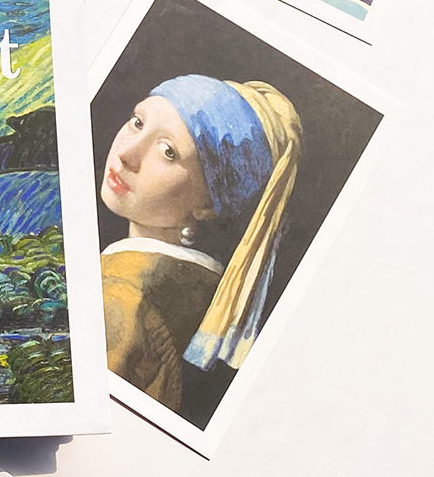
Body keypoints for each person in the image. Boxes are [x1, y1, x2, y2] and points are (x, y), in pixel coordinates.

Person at [98, 75, 301, 411]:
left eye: (168, 152)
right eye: (138, 122)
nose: (126, 154)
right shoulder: (206, 288)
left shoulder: (122, 297)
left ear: (207, 205)